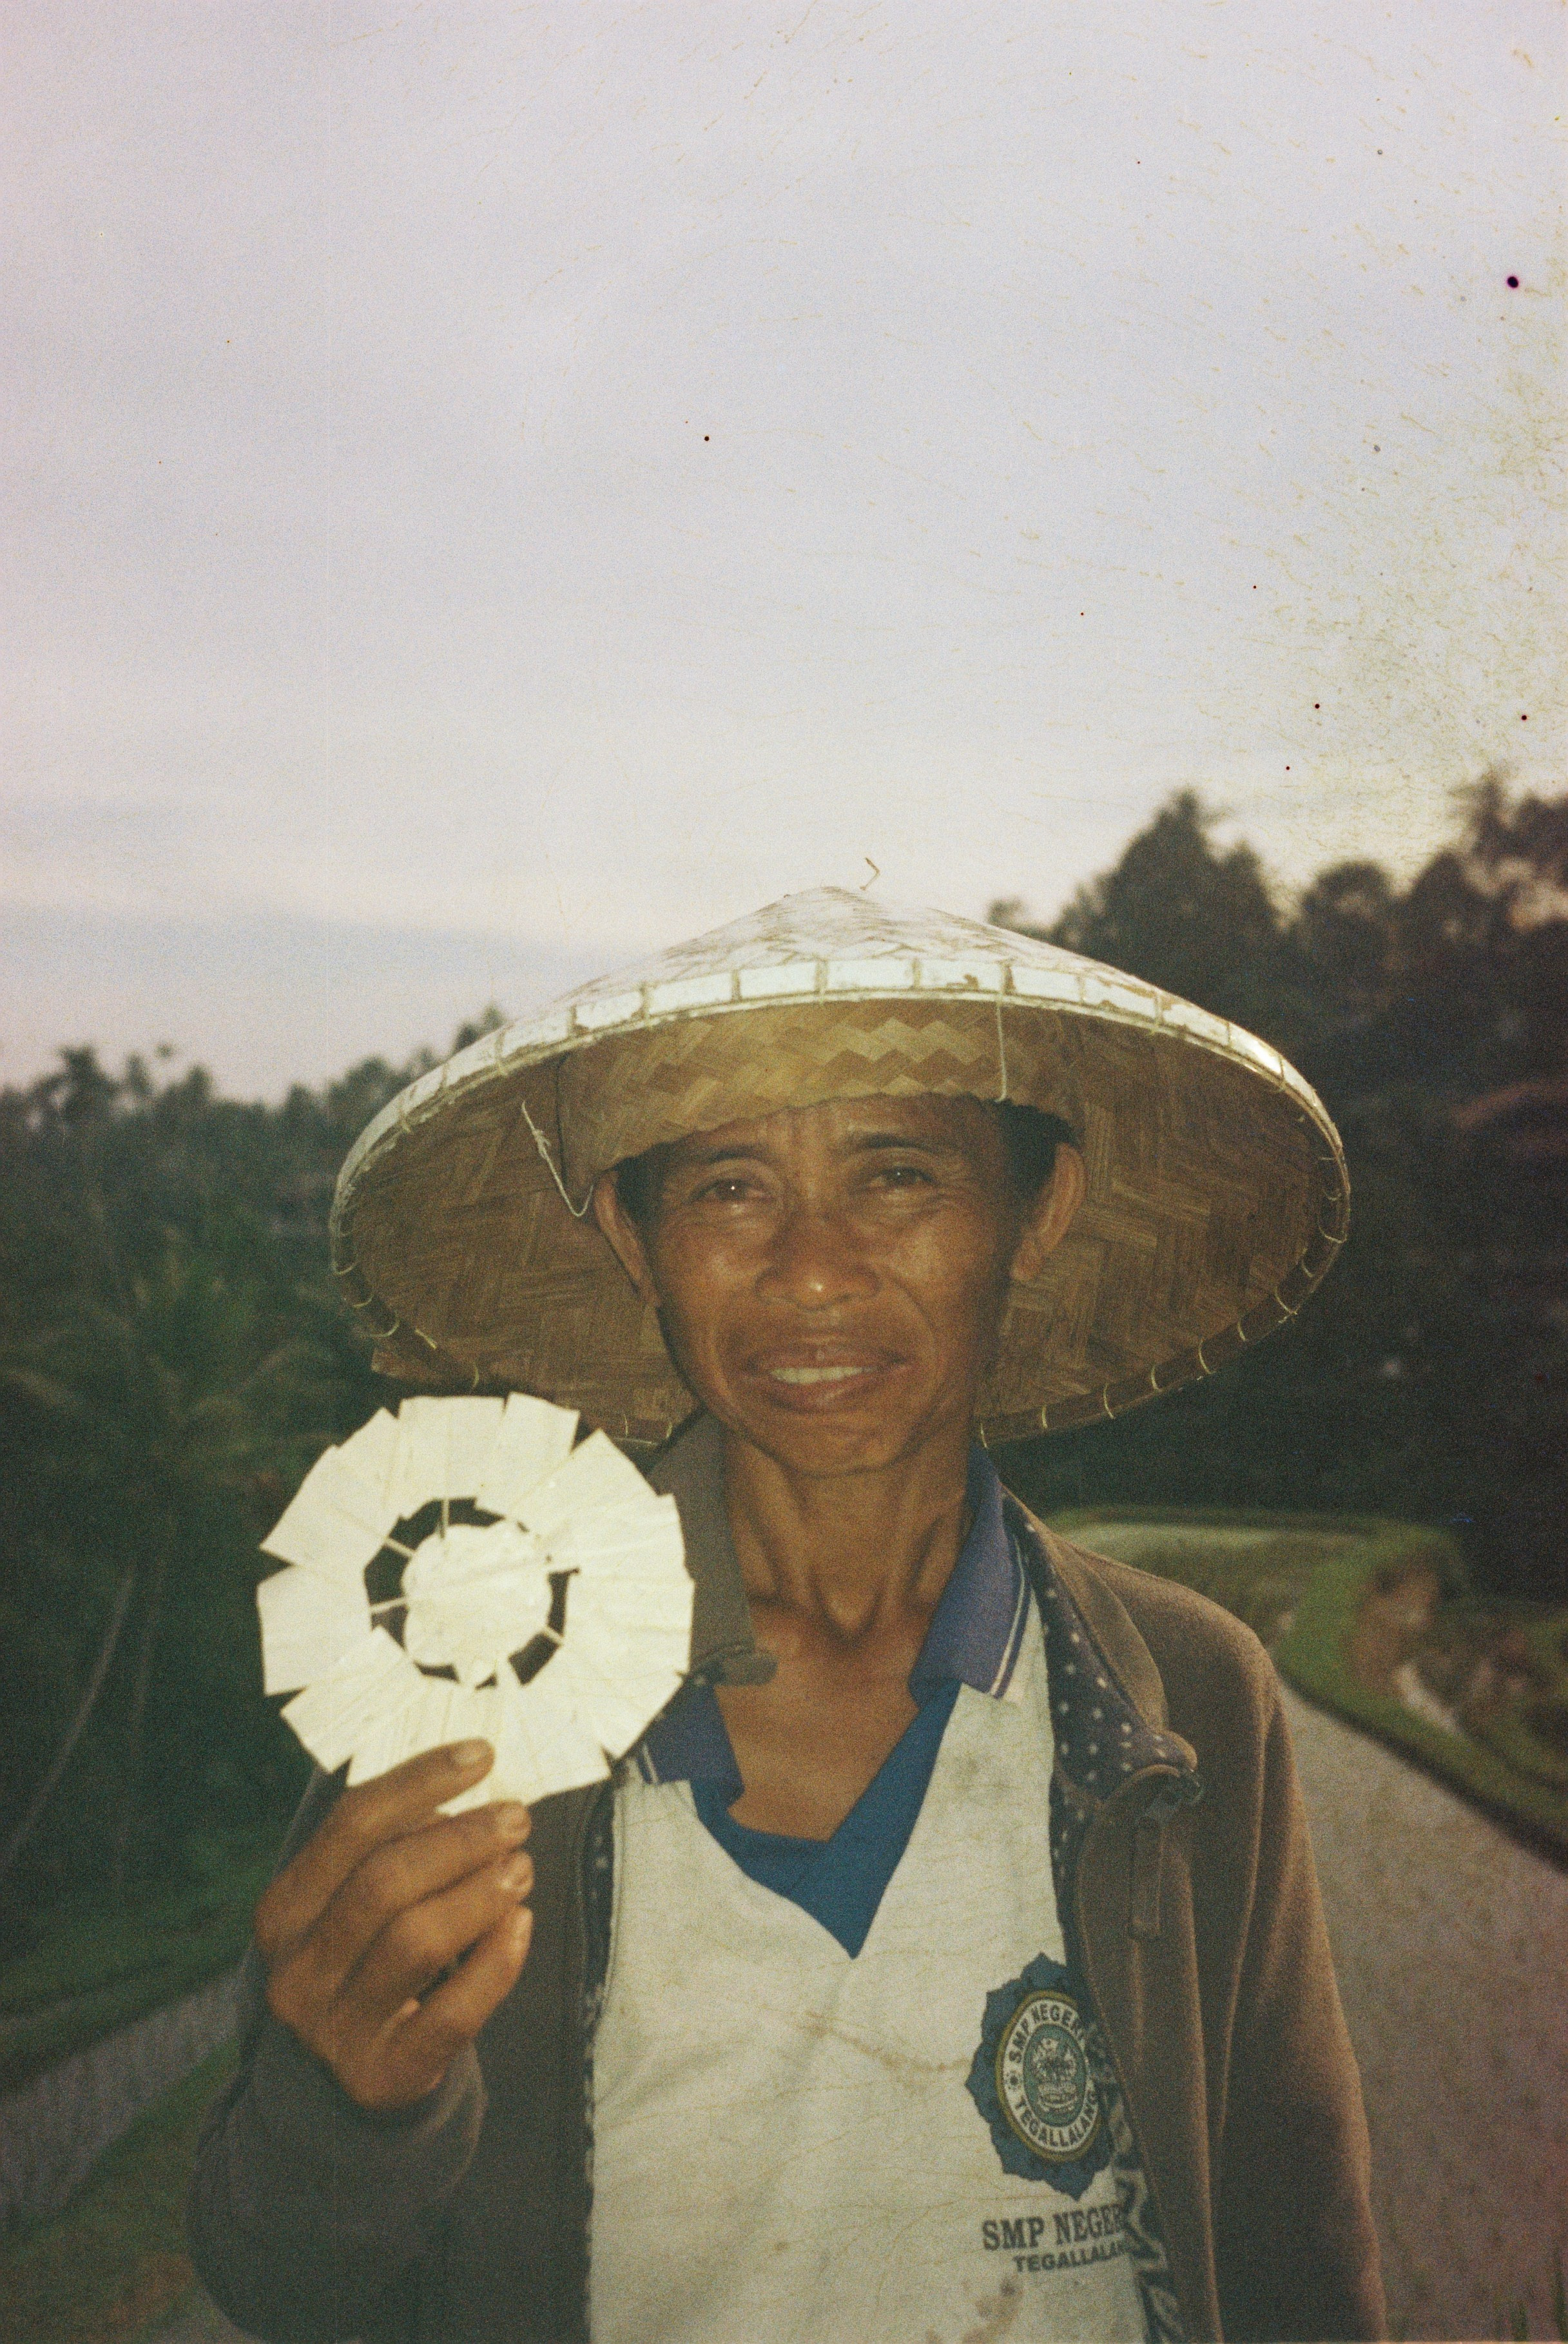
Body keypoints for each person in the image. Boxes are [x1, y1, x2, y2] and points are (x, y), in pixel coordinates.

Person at [189, 887, 1384, 2344]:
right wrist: (343, 2104)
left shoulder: (1189, 1696)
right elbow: (277, 2276)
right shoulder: (473, 1686)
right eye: (727, 1189)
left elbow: (1298, 2259)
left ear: (1035, 1209)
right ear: (632, 1240)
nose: (811, 1268)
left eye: (894, 1177)